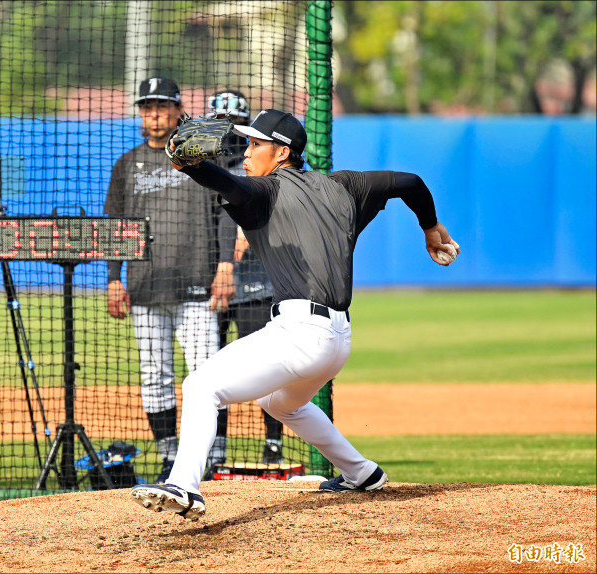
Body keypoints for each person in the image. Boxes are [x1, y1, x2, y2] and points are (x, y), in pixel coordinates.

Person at [130, 109, 459, 520]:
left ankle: (183, 486)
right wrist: (430, 226)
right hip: (337, 339)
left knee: (200, 386)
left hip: (300, 332)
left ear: (282, 152)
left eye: (255, 144)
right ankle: (362, 472)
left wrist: (189, 163)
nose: (246, 153)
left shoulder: (265, 191)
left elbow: (227, 182)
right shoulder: (346, 185)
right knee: (281, 404)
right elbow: (411, 183)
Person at [102, 77, 235, 483]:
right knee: (154, 374)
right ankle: (168, 455)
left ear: (178, 110)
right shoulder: (127, 163)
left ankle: (211, 457)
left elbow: (226, 209)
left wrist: (225, 265)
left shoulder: (196, 149)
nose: (154, 114)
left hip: (197, 285)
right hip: (144, 287)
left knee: (207, 376)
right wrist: (113, 279)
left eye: (162, 106)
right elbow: (114, 226)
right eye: (147, 107)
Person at [207, 90, 285, 466]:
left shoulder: (257, 169)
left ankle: (273, 444)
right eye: (219, 123)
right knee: (211, 370)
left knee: (265, 368)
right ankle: (216, 446)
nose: (227, 133)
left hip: (256, 287)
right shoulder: (202, 167)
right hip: (209, 288)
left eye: (234, 125)